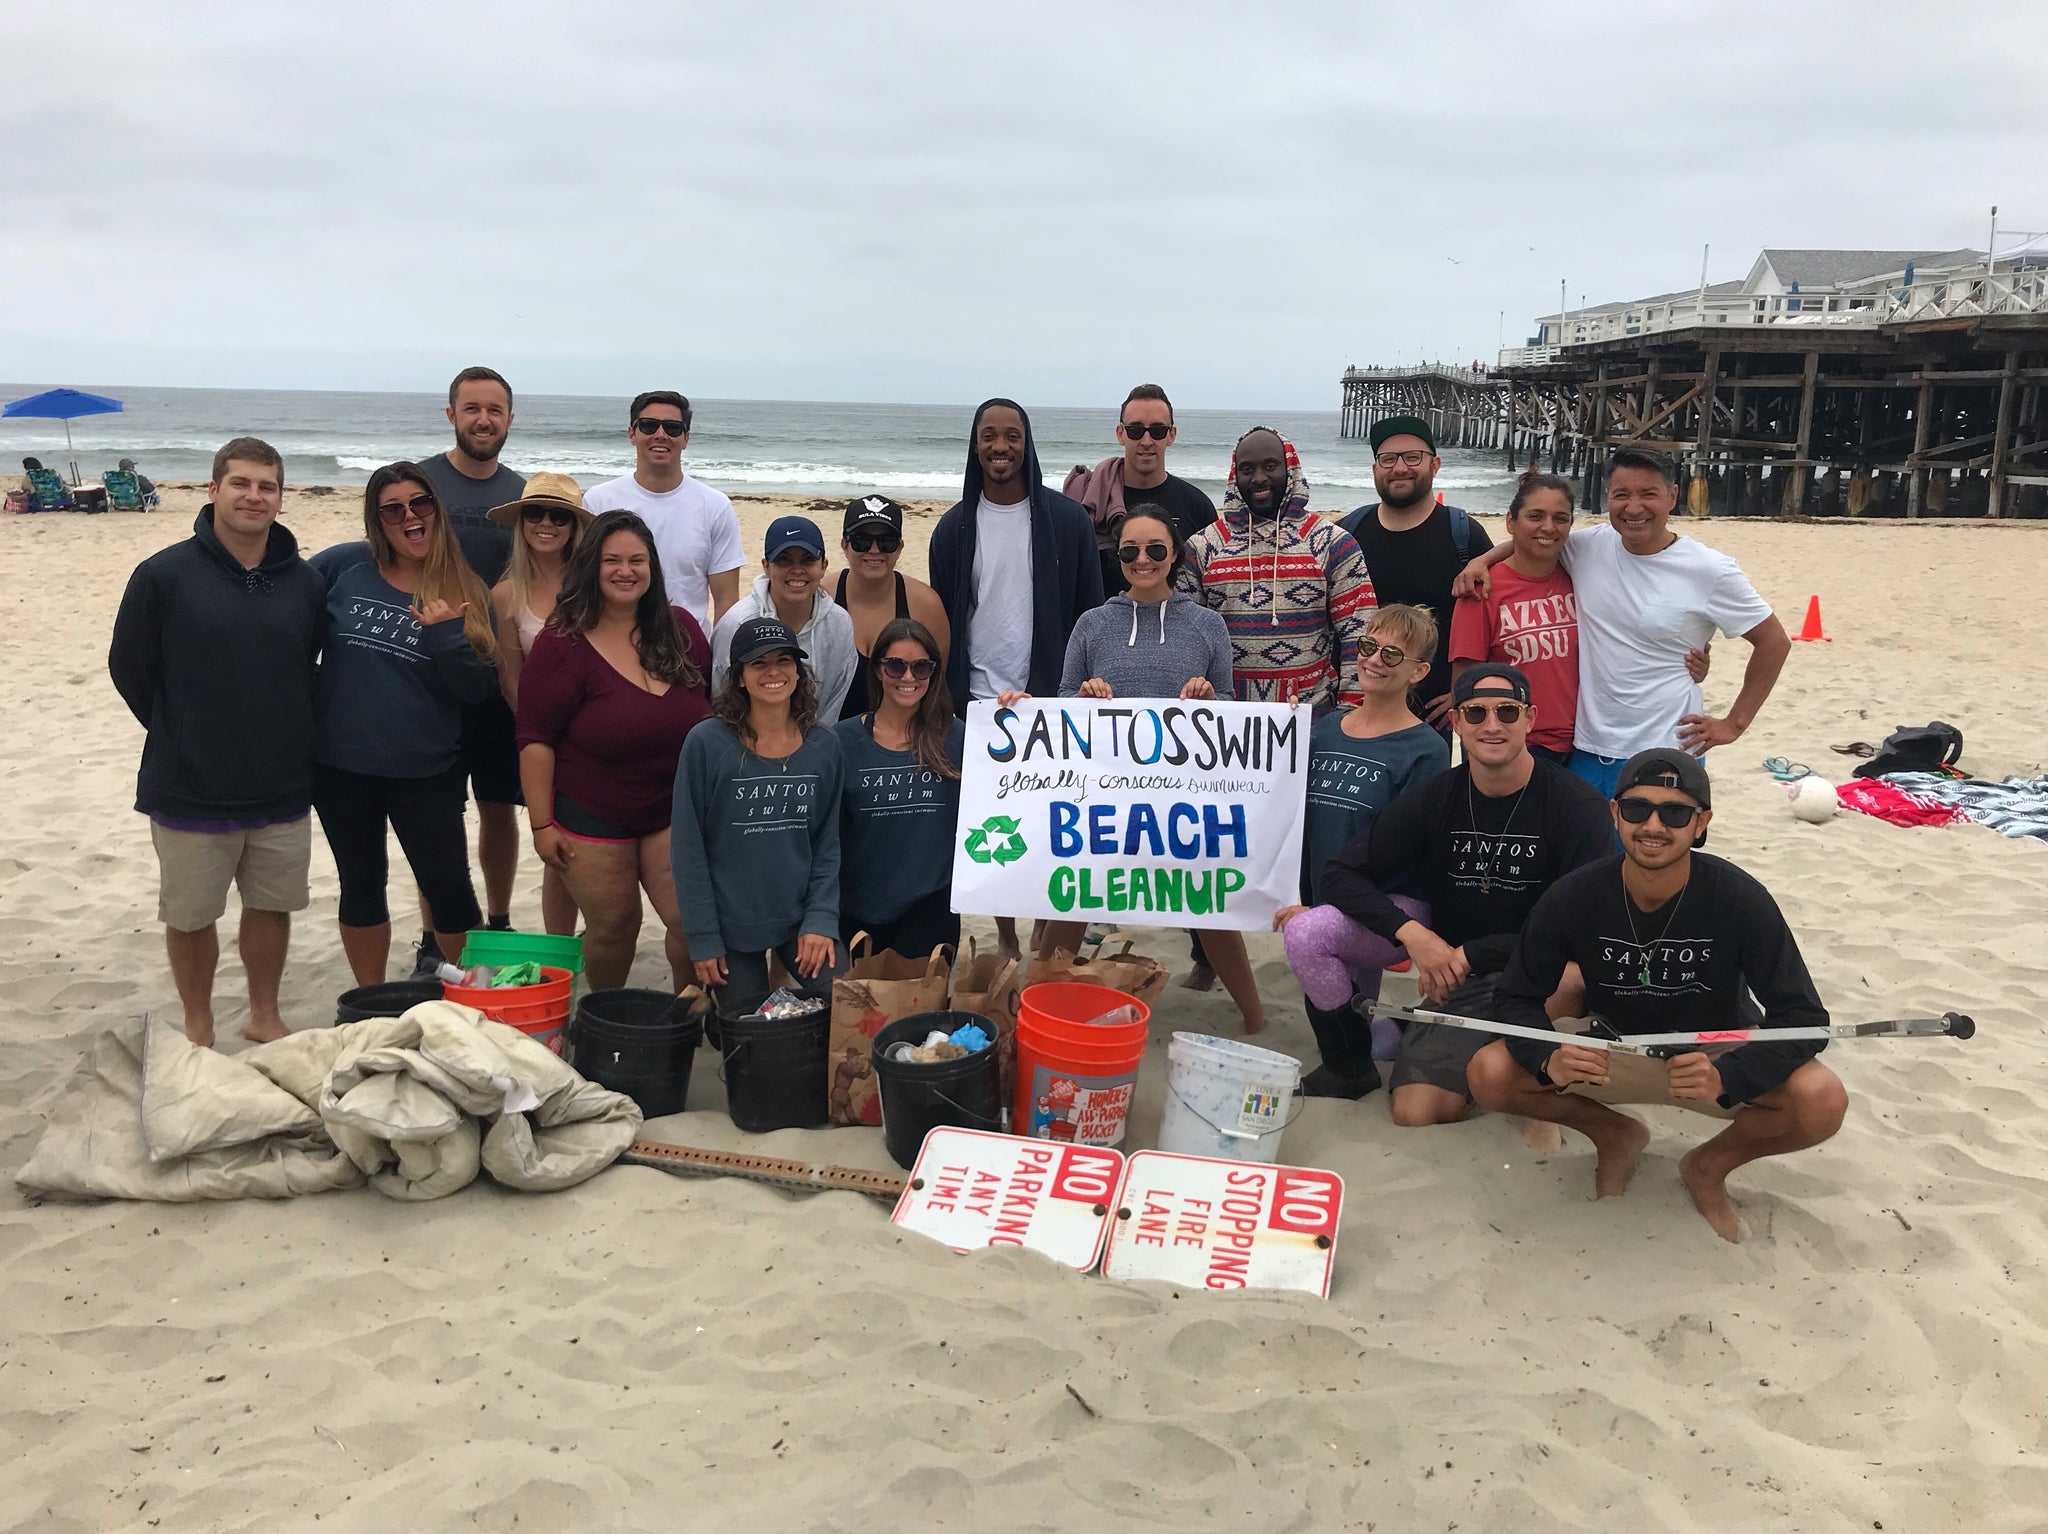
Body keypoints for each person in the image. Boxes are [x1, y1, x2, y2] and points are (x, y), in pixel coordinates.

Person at [1471, 749, 1848, 1242]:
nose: (1653, 825)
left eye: (1674, 812)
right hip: (1612, 1049)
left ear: (1701, 823)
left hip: (1712, 1054)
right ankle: (1613, 1133)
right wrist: (1549, 1057)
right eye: (1636, 809)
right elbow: (1515, 999)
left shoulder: (1739, 898)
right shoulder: (1574, 894)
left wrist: (1728, 1073)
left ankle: (1708, 1166)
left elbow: (1803, 1017)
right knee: (1489, 1072)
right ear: (1615, 813)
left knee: (1822, 1100)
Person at [1284, 664, 1612, 1118]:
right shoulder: (1437, 797)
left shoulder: (1579, 807)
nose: (1492, 725)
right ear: (1455, 723)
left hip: (1539, 967)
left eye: (1507, 712)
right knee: (1413, 1113)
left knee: (1571, 974)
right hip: (1462, 976)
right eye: (1475, 713)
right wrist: (1414, 936)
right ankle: (1430, 1042)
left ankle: (1525, 1081)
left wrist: (1476, 953)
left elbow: (1583, 928)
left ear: (1531, 718)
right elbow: (1341, 873)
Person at [998, 507, 1267, 1032]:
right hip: (1102, 795)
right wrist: (1084, 696)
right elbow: (1059, 704)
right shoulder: (1093, 622)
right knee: (1074, 895)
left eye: (1155, 550)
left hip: (1183, 795)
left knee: (1205, 903)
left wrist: (1207, 698)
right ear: (1117, 557)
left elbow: (1232, 710)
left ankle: (1256, 1017)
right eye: (1129, 551)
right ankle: (1034, 1006)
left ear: (1175, 555)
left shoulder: (1207, 625)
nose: (1142, 560)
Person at [108, 437, 325, 1046]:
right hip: (188, 784)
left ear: (281, 498)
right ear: (213, 490)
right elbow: (130, 668)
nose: (254, 496)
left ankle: (263, 1013)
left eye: (267, 486)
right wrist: (184, 729)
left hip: (281, 782)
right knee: (191, 914)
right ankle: (199, 1023)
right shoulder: (163, 574)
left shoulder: (304, 582)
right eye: (241, 483)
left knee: (271, 905)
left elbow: (304, 664)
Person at [1455, 445, 1789, 795]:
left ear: (1673, 496)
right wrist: (1482, 561)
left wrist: (1734, 723)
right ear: (1608, 498)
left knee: (1648, 848)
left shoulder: (1710, 570)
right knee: (1586, 849)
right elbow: (1538, 537)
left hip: (1664, 749)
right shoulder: (1591, 546)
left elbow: (1774, 642)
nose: (1633, 507)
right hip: (1586, 748)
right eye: (1621, 495)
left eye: (1649, 494)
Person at [928, 397, 1103, 959]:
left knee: (1056, 827)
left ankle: (1046, 934)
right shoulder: (953, 528)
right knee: (997, 829)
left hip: (1051, 699)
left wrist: (1080, 687)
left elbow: (1090, 612)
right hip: (978, 702)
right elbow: (947, 621)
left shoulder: (1068, 521)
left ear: (1028, 444)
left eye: (1011, 436)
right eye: (988, 436)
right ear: (974, 445)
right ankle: (1005, 934)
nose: (1000, 447)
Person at [309, 464, 497, 985]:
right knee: (361, 885)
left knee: (449, 889)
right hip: (341, 766)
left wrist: (445, 638)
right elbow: (287, 631)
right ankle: (370, 998)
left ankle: (467, 1000)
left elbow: (479, 691)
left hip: (426, 769)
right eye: (394, 509)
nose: (410, 516)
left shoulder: (468, 588)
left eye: (420, 503)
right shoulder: (345, 569)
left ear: (436, 508)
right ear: (377, 521)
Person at [517, 510, 711, 992]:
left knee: (693, 927)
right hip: (591, 811)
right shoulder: (561, 642)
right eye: (612, 560)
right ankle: (607, 1012)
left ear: (652, 568)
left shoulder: (682, 628)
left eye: (637, 560)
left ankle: (685, 1015)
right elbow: (535, 740)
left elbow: (713, 712)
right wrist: (542, 825)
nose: (626, 571)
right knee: (614, 926)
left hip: (671, 807)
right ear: (592, 567)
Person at [1269, 604, 1449, 1093]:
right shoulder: (1324, 728)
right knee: (1367, 1023)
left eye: (1393, 653)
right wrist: (1271, 729)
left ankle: (1348, 1071)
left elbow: (1405, 852)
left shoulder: (1426, 750)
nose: (1375, 659)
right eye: (1368, 645)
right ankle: (1390, 1036)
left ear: (1419, 671)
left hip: (1391, 908)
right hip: (1330, 898)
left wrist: (1320, 907)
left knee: (1309, 937)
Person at [1449, 470, 1713, 765]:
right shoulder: (1482, 589)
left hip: (1585, 743)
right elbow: (1465, 683)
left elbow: (1632, 631)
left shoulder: (1580, 571)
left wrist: (1685, 655)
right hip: (1518, 742)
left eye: (1560, 518)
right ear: (1510, 522)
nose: (1548, 527)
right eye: (1535, 516)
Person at [412, 366, 528, 962]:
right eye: (472, 408)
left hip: (496, 673)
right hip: (430, 670)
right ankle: (436, 933)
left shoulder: (523, 495)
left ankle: (500, 921)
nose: (484, 419)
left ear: (511, 419)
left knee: (497, 807)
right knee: (436, 813)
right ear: (451, 413)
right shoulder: (420, 484)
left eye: (495, 409)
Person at [671, 616, 845, 1011]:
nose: (773, 672)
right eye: (759, 663)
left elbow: (827, 845)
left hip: (799, 918)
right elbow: (687, 851)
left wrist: (820, 920)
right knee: (749, 1034)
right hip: (731, 926)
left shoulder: (823, 746)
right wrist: (703, 939)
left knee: (850, 1003)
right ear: (739, 678)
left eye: (784, 661)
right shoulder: (706, 744)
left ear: (798, 674)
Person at [1178, 427, 1376, 712]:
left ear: (1290, 469)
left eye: (1270, 466)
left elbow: (1360, 634)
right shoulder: (1202, 547)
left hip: (1311, 720)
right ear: (1235, 475)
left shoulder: (1332, 544)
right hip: (1224, 723)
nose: (1258, 478)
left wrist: (1350, 715)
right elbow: (1187, 639)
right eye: (1247, 469)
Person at [1339, 415, 1493, 727]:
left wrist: (1464, 689)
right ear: (1374, 469)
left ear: (1435, 465)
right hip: (1355, 709)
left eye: (1413, 457)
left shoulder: (1463, 534)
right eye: (1388, 459)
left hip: (1433, 714)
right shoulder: (1349, 533)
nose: (1399, 468)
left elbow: (1495, 618)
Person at [488, 471, 590, 937]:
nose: (546, 523)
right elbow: (511, 678)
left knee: (604, 842)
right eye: (535, 513)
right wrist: (542, 735)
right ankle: (560, 946)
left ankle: (604, 934)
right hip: (544, 741)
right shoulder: (505, 595)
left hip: (601, 734)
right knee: (558, 846)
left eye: (559, 515)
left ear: (574, 525)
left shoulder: (594, 585)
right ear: (521, 522)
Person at [834, 618, 965, 957]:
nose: (908, 677)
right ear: (877, 670)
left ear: (933, 673)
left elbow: (1017, 773)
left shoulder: (957, 737)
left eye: (921, 668)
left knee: (919, 1010)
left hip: (930, 909)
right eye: (895, 666)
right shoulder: (841, 741)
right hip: (855, 909)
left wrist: (1015, 710)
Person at [584, 391, 744, 630]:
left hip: (688, 649)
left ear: (686, 438)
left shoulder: (715, 506)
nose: (661, 435)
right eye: (649, 426)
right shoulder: (598, 501)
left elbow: (726, 600)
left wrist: (720, 662)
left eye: (672, 428)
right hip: (613, 645)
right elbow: (584, 583)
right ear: (632, 434)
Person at [1063, 384, 1218, 595]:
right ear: (1120, 434)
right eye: (1135, 431)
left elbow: (1212, 584)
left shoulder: (1197, 506)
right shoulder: (1091, 503)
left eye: (1157, 431)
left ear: (1171, 435)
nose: (1146, 441)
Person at [708, 515, 859, 719]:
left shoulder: (839, 624)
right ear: (766, 566)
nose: (797, 570)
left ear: (823, 566)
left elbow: (833, 702)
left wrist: (816, 746)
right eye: (784, 560)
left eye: (807, 560)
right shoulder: (738, 622)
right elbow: (722, 697)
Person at [832, 495, 951, 722]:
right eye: (861, 541)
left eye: (886, 541)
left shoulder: (926, 604)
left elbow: (937, 684)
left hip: (905, 741)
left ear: (900, 547)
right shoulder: (823, 597)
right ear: (845, 546)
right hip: (834, 739)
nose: (874, 550)